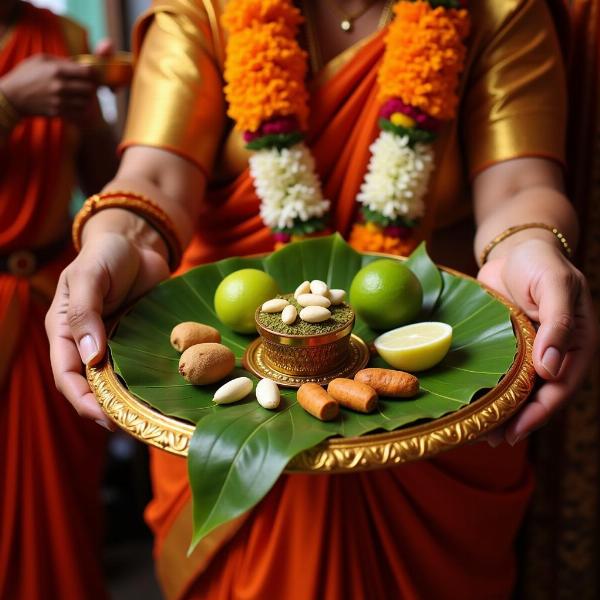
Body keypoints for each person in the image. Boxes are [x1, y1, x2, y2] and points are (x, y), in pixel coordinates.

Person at [45, 0, 598, 598]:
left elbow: (519, 186)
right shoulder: (203, 10)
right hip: (232, 394)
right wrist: (115, 239)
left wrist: (529, 244)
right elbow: (154, 177)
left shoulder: (499, 10)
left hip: (438, 390)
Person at [0, 1, 118, 598]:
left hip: (48, 296)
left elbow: (103, 185)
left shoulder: (61, 35)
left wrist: (93, 119)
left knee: (62, 500)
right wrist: (7, 103)